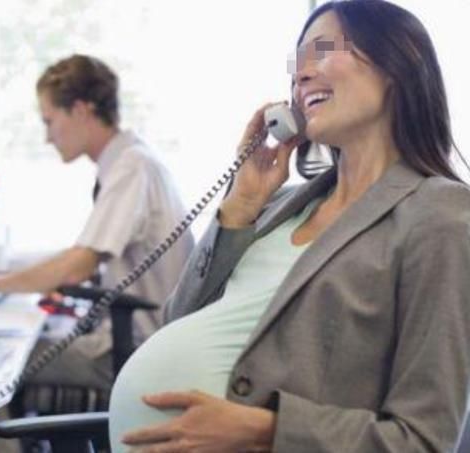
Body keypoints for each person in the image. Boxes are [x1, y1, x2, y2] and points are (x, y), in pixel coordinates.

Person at [109, 1, 470, 452]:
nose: (301, 76)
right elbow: (177, 321)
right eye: (296, 66)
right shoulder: (278, 204)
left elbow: (424, 440)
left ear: (399, 61)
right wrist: (240, 206)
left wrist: (265, 430)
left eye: (322, 51)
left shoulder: (441, 215)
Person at [0, 54, 194, 443]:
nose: (47, 136)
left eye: (49, 121)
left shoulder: (133, 167)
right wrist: (7, 272)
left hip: (135, 347)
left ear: (80, 109)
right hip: (133, 336)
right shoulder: (128, 162)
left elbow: (78, 265)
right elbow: (82, 253)